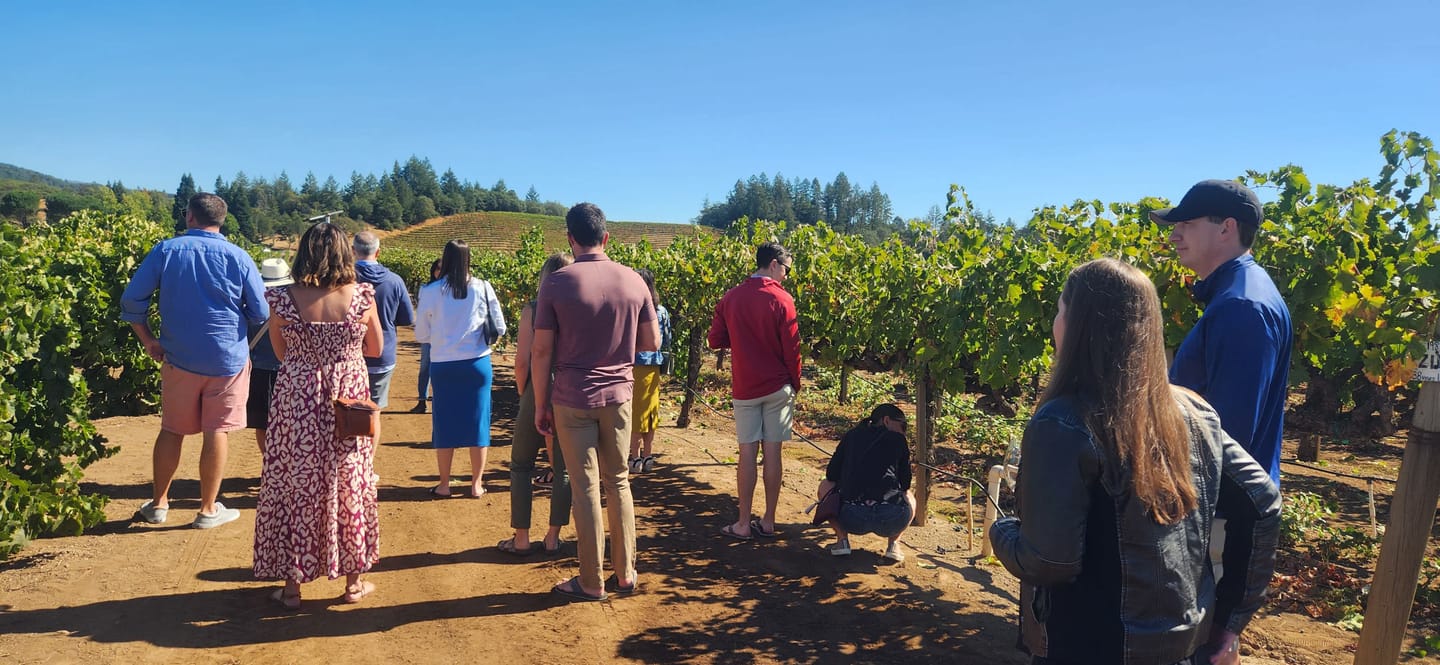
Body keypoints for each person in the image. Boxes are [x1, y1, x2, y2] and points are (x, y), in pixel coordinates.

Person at [988, 258, 1281, 665]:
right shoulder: (1195, 413)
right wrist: (1229, 622)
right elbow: (1263, 502)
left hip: (1091, 647)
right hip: (1185, 647)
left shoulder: (1065, 421)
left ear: (1079, 326)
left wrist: (1002, 532)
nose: (1055, 322)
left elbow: (1049, 561)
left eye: (1059, 310)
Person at [1150, 179, 1292, 579]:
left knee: (1202, 636)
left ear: (1226, 228)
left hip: (1216, 517)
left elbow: (1226, 438)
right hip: (1214, 511)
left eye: (1187, 223)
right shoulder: (1237, 294)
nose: (1174, 234)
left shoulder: (1242, 308)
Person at [252, 222, 383, 609]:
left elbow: (279, 353)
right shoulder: (362, 295)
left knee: (296, 483)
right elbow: (375, 348)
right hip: (347, 398)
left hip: (297, 398)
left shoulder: (281, 299)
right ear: (345, 253)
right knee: (349, 483)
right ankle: (353, 584)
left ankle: (293, 588)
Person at [533, 202, 659, 601]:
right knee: (619, 480)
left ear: (569, 239)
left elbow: (540, 351)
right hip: (619, 395)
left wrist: (541, 404)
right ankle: (626, 573)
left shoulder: (556, 283)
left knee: (586, 487)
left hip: (572, 396)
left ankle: (590, 581)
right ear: (606, 237)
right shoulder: (635, 281)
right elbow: (652, 343)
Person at [120, 192, 268, 529]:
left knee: (172, 430)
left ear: (189, 217)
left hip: (179, 358)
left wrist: (148, 341)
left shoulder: (166, 250)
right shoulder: (239, 256)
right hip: (227, 360)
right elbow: (260, 312)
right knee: (217, 431)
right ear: (222, 219)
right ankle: (207, 510)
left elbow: (132, 300)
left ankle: (158, 505)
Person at [707, 242, 801, 540]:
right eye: (786, 268)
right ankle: (770, 521)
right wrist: (795, 383)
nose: (786, 275)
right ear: (773, 264)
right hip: (777, 386)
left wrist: (741, 339)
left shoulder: (731, 298)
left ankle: (743, 523)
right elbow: (792, 350)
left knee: (747, 452)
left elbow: (714, 340)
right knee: (773, 453)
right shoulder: (782, 300)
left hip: (746, 386)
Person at [414, 240, 506, 498]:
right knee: (478, 422)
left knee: (444, 424)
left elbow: (421, 333)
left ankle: (444, 484)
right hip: (477, 364)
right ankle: (476, 484)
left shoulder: (431, 291)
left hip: (443, 364)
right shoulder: (483, 287)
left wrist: (442, 337)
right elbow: (500, 327)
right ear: (469, 259)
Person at [500, 253, 574, 556]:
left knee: (521, 464)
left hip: (537, 386)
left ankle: (520, 537)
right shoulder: (577, 310)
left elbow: (522, 362)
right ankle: (553, 536)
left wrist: (525, 394)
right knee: (564, 467)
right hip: (570, 388)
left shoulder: (532, 309)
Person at [818, 404, 914, 562]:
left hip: (851, 517)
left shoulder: (852, 435)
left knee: (825, 486)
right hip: (891, 518)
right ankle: (894, 544)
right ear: (887, 420)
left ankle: (842, 540)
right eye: (903, 425)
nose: (904, 431)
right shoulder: (898, 440)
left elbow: (831, 474)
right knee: (909, 495)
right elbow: (906, 484)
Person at [352, 231, 415, 446]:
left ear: (353, 252)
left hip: (350, 354)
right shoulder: (395, 281)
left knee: (346, 409)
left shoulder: (345, 279)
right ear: (378, 252)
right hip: (383, 354)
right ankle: (367, 465)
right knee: (373, 412)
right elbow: (406, 318)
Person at [246, 258, 294, 456]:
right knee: (289, 421)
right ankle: (285, 463)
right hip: (288, 368)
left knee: (262, 422)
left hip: (258, 369)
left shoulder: (251, 304)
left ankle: (268, 463)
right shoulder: (293, 304)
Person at [628, 268, 672, 474]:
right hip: (653, 366)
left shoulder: (633, 309)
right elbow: (667, 341)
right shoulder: (661, 311)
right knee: (650, 411)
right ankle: (648, 455)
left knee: (635, 411)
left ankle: (634, 457)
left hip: (634, 365)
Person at [410, 259, 443, 414]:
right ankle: (422, 400)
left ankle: (437, 401)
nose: (439, 272)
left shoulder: (449, 290)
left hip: (443, 338)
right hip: (429, 337)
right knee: (425, 369)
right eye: (437, 269)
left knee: (439, 370)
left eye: (442, 269)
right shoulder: (426, 289)